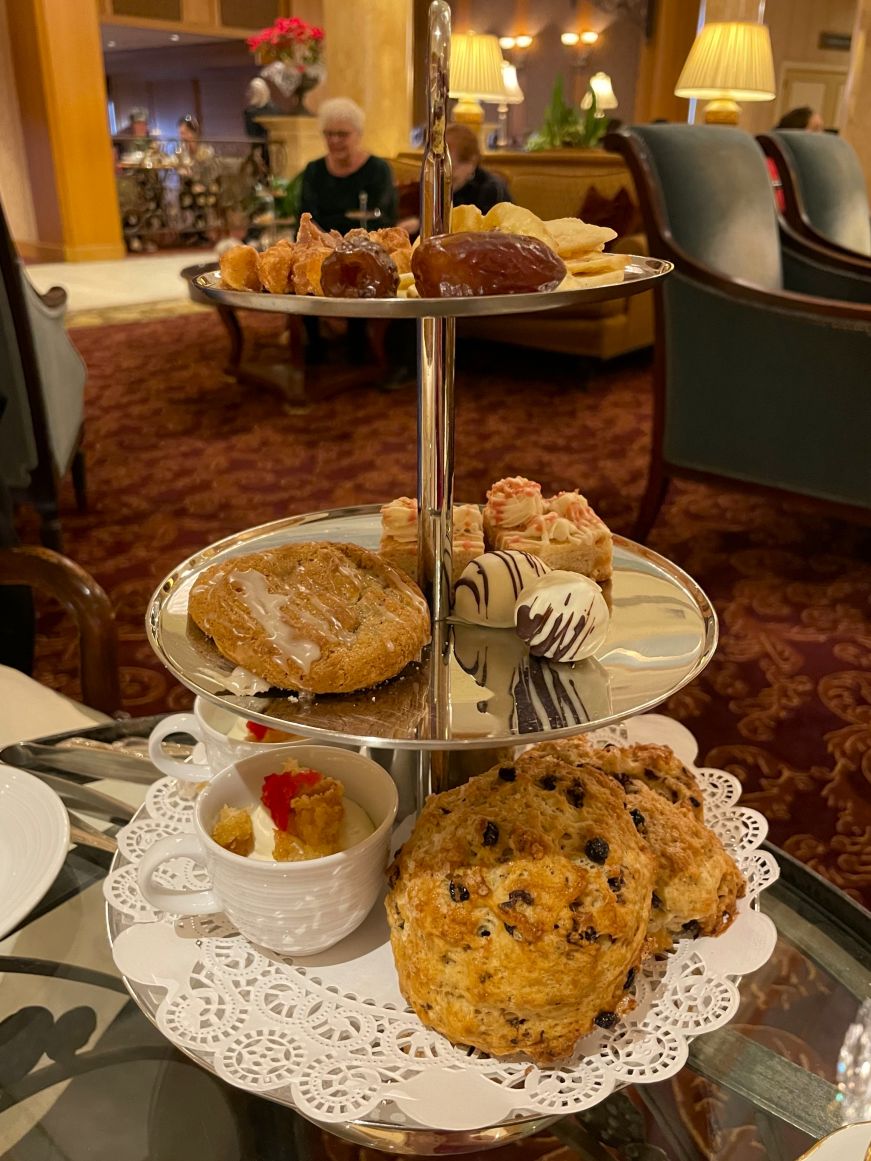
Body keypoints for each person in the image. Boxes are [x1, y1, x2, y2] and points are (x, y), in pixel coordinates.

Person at [299, 98, 397, 235]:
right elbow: (307, 221)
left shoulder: (378, 169)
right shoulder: (314, 169)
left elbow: (385, 220)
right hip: (324, 250)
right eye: (329, 134)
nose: (334, 140)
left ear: (359, 134)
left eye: (342, 134)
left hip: (367, 249)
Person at [766, 107, 824, 211]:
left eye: (821, 129)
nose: (821, 135)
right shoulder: (771, 163)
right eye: (815, 129)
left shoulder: (813, 166)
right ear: (796, 130)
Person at [445, 124, 511, 214]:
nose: (445, 174)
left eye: (453, 167)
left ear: (472, 161)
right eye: (441, 168)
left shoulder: (492, 190)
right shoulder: (434, 185)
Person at [174, 115, 217, 246]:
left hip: (206, 183)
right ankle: (190, 231)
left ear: (193, 133)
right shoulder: (180, 150)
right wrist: (182, 170)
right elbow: (179, 166)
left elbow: (210, 170)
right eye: (181, 133)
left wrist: (202, 182)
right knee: (186, 194)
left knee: (200, 194)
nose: (182, 137)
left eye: (185, 133)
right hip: (189, 183)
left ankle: (202, 233)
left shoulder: (206, 150)